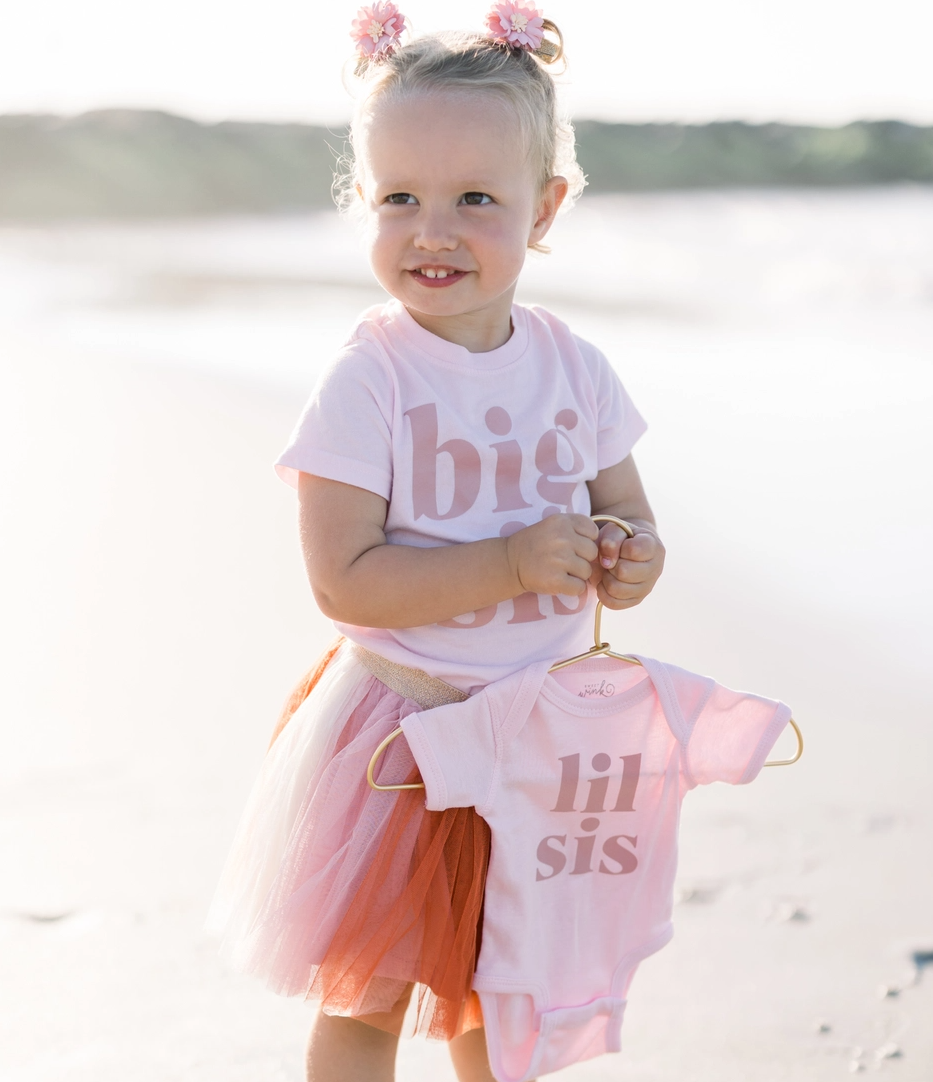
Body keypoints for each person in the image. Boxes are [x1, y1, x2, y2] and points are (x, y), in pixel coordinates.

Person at [208, 4, 666, 1080]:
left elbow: (632, 522)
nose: (433, 230)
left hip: (529, 737)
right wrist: (508, 562)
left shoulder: (574, 367)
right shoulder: (369, 378)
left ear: (543, 207)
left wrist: (630, 558)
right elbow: (341, 578)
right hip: (399, 739)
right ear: (360, 202)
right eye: (399, 198)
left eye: (475, 199)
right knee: (367, 994)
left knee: (495, 994)